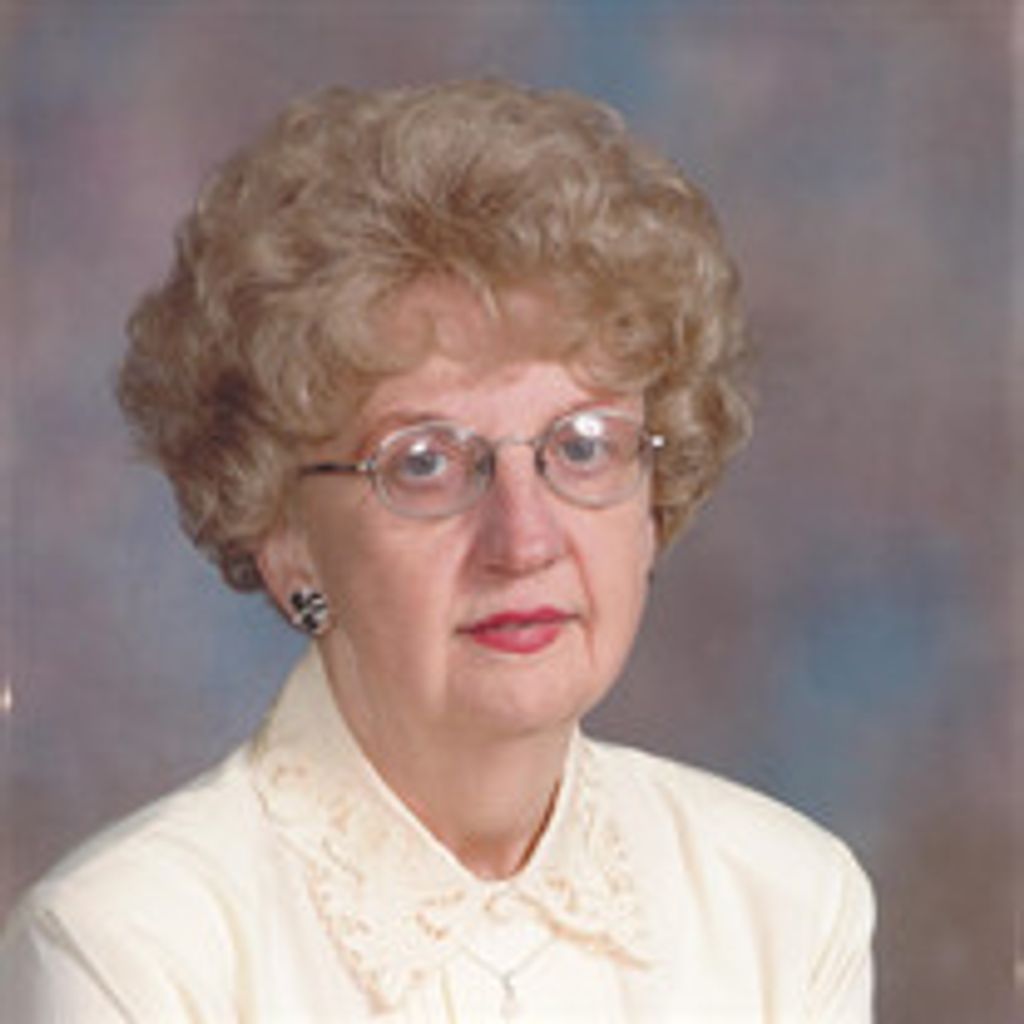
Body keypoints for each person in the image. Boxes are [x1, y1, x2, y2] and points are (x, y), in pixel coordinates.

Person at [0, 79, 874, 1021]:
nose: (523, 540)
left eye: (582, 447)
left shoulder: (783, 906)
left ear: (652, 504)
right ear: (285, 536)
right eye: (423, 464)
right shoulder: (127, 951)